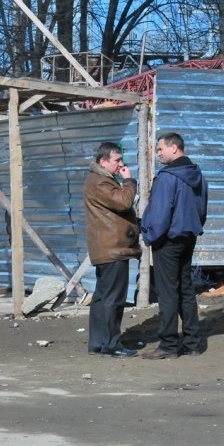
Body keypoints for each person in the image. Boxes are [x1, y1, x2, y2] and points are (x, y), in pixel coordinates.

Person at [140, 133, 209, 359]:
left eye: (160, 149)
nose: (158, 153)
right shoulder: (197, 175)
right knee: (186, 289)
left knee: (168, 292)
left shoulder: (167, 177)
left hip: (168, 240)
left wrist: (149, 235)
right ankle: (193, 343)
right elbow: (201, 209)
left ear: (174, 148)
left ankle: (168, 345)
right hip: (188, 237)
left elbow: (159, 214)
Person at [83, 141, 142, 357]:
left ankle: (98, 343)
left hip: (107, 248)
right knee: (113, 299)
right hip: (113, 249)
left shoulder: (99, 180)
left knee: (102, 297)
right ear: (103, 161)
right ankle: (111, 344)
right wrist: (129, 181)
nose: (121, 164)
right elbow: (124, 202)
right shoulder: (101, 182)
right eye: (117, 160)